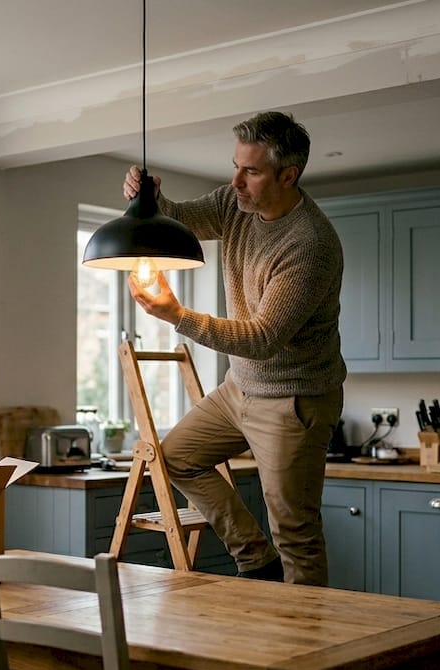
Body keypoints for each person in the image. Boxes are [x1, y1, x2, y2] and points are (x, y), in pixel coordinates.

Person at [122, 111, 345, 586]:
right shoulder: (233, 203)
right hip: (238, 387)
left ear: (288, 176)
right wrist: (150, 198)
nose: (236, 181)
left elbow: (263, 339)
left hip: (294, 398)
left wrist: (177, 315)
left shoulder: (309, 243)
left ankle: (304, 633)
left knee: (296, 534)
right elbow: (179, 218)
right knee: (175, 457)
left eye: (252, 171)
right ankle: (255, 560)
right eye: (235, 166)